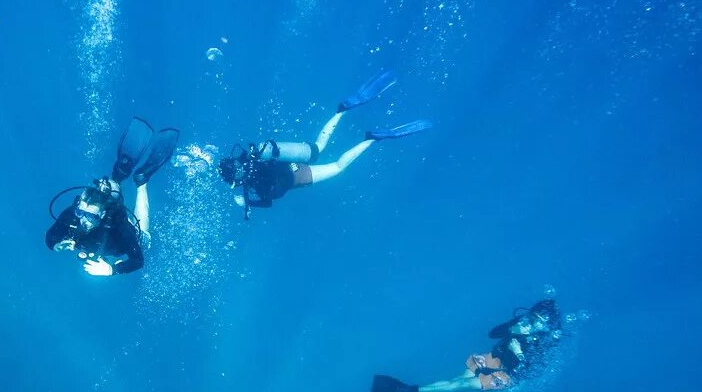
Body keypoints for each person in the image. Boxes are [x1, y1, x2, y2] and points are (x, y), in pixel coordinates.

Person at [217, 69, 432, 216]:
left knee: (338, 167)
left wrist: (248, 203)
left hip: (297, 177)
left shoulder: (248, 183)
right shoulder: (249, 158)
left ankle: (371, 139)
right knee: (318, 147)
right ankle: (342, 110)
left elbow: (268, 201)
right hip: (291, 160)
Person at [370, 297, 563, 392]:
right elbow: (492, 334)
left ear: (547, 325)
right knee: (456, 382)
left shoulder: (547, 341)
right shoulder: (521, 322)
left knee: (461, 385)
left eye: (538, 321)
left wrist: (519, 354)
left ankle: (405, 389)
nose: (532, 323)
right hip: (496, 357)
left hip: (510, 375)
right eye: (532, 317)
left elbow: (534, 371)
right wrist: (511, 328)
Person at [46, 117, 180, 276]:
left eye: (90, 216)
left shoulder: (119, 225)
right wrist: (57, 245)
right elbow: (50, 237)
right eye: (81, 213)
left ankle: (141, 182)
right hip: (104, 237)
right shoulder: (73, 214)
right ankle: (119, 174)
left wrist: (112, 270)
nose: (83, 219)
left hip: (123, 233)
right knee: (105, 194)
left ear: (102, 215)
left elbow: (138, 260)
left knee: (144, 239)